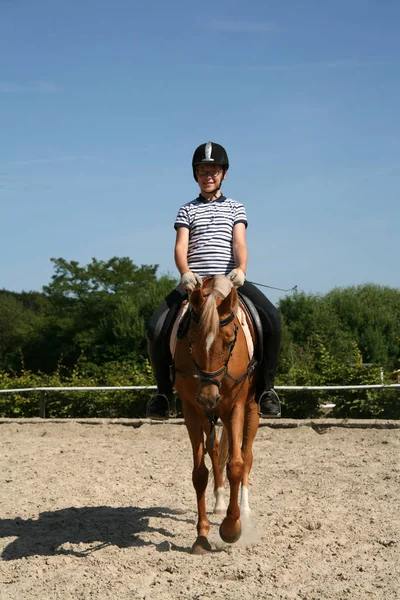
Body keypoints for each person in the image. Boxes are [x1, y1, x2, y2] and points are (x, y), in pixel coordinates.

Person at [147, 141, 282, 420]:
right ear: (195, 175)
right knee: (155, 326)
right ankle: (162, 393)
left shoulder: (236, 207)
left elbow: (240, 243)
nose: (208, 176)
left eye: (213, 171)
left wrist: (242, 268)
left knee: (272, 319)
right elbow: (180, 246)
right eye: (202, 171)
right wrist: (184, 272)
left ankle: (267, 389)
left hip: (229, 280)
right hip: (195, 282)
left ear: (224, 174)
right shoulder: (186, 209)